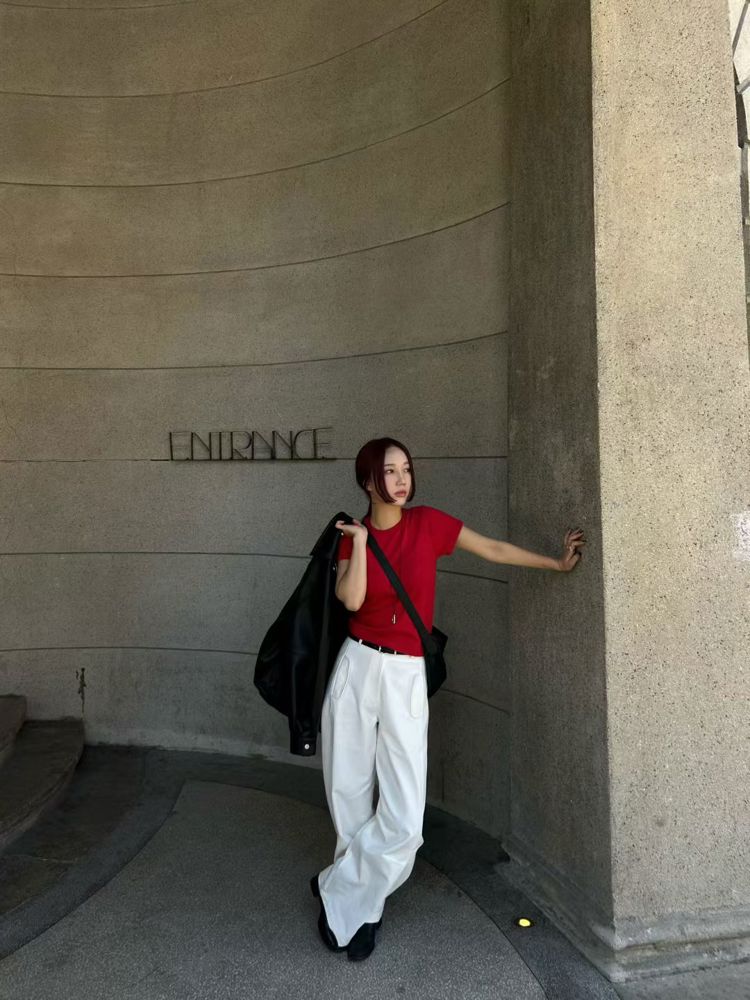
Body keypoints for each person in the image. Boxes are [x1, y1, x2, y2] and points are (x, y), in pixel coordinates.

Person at [310, 437, 585, 961]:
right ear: (368, 481)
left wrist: (556, 563)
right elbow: (351, 599)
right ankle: (363, 909)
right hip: (357, 666)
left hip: (404, 673)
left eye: (406, 469)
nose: (401, 480)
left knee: (404, 816)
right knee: (348, 789)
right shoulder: (352, 535)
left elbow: (493, 549)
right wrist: (361, 544)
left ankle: (338, 888)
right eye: (389, 471)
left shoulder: (429, 524)